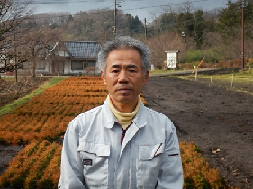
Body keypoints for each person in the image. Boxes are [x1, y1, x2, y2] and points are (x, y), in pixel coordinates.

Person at [58, 36, 184, 189]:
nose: (123, 78)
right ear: (103, 77)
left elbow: (171, 184)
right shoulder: (80, 127)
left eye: (132, 70)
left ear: (145, 77)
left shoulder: (164, 128)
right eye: (115, 70)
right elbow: (70, 184)